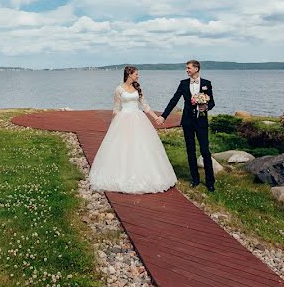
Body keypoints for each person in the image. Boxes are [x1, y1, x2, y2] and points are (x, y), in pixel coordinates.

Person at [88, 65, 177, 194]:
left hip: (138, 118)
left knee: (141, 145)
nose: (138, 76)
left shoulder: (137, 88)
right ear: (129, 74)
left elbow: (145, 106)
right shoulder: (119, 89)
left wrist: (156, 118)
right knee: (123, 146)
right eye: (136, 74)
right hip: (123, 120)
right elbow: (116, 109)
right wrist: (113, 126)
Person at [157, 59, 216, 192]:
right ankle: (195, 179)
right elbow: (174, 100)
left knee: (205, 152)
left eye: (189, 68)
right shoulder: (183, 84)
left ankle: (210, 182)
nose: (187, 70)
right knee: (190, 151)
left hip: (201, 122)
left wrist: (206, 106)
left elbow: (212, 103)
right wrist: (163, 116)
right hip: (188, 122)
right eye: (187, 68)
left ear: (196, 69)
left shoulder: (207, 84)